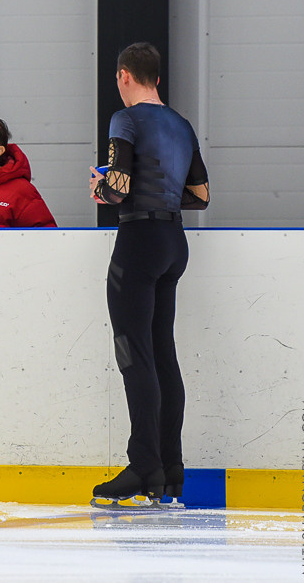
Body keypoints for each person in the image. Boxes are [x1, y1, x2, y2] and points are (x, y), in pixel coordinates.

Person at [88, 42, 209, 507]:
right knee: (162, 355)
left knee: (134, 355)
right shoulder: (181, 124)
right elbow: (199, 195)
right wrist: (157, 194)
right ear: (157, 78)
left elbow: (117, 189)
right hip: (174, 245)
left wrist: (101, 187)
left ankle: (143, 466)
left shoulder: (127, 119)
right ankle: (170, 469)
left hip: (138, 244)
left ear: (124, 76)